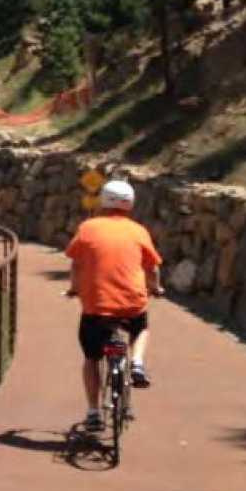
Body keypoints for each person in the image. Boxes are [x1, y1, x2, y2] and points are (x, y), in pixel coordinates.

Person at [64, 179, 164, 434]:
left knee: (91, 358)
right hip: (132, 303)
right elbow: (152, 268)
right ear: (130, 203)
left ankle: (93, 412)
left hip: (96, 305)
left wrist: (74, 289)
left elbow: (76, 264)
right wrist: (156, 288)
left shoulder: (88, 227)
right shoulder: (139, 231)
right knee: (141, 327)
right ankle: (138, 362)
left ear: (103, 201)